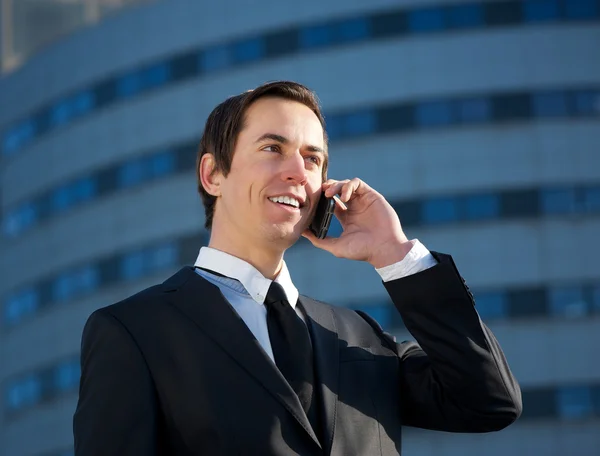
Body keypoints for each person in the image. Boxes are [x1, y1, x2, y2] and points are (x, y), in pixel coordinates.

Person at [73, 81, 522, 455]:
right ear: (213, 175)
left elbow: (490, 401)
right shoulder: (134, 332)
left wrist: (394, 252)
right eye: (273, 147)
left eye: (313, 158)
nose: (298, 172)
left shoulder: (359, 336)